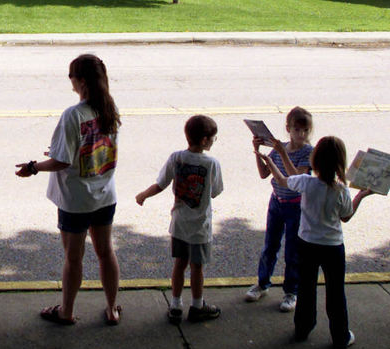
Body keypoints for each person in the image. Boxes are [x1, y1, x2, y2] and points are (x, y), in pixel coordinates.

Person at [16, 53, 122, 325]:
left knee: (73, 259)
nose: (70, 81)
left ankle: (67, 311)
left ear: (82, 81)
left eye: (71, 76)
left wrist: (33, 166)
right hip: (104, 195)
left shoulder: (73, 115)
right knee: (105, 252)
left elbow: (62, 160)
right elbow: (92, 149)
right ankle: (112, 308)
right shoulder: (109, 109)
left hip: (76, 200)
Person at [257, 136, 371, 349]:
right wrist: (362, 195)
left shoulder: (307, 183)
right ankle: (340, 336)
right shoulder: (341, 190)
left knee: (306, 289)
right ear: (340, 163)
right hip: (332, 247)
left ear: (315, 160)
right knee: (336, 292)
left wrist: (272, 161)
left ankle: (303, 328)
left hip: (306, 244)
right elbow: (346, 216)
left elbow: (284, 179)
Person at [135, 115, 224, 324]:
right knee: (197, 267)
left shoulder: (176, 158)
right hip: (200, 227)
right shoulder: (211, 163)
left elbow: (161, 183)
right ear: (204, 140)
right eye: (213, 138)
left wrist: (143, 195)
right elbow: (215, 191)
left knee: (179, 264)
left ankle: (175, 305)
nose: (213, 141)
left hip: (179, 224)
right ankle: (197, 305)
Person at [245, 107, 314, 312]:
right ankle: (262, 283)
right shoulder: (279, 148)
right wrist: (258, 153)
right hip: (276, 202)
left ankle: (291, 292)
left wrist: (283, 153)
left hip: (296, 206)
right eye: (297, 130)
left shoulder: (308, 152)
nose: (301, 135)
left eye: (305, 131)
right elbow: (264, 174)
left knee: (293, 251)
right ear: (288, 129)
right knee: (270, 246)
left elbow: (295, 180)